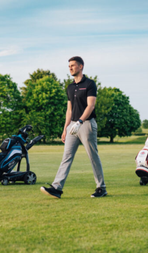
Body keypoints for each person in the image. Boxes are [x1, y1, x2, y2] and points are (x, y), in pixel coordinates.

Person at [40, 56, 107, 198]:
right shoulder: (70, 87)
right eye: (69, 66)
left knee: (93, 156)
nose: (70, 68)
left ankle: (101, 187)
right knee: (67, 156)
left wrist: (80, 122)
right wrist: (66, 128)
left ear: (81, 66)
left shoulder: (89, 84)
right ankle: (57, 188)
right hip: (72, 126)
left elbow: (91, 105)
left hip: (86, 124)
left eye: (73, 65)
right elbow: (69, 110)